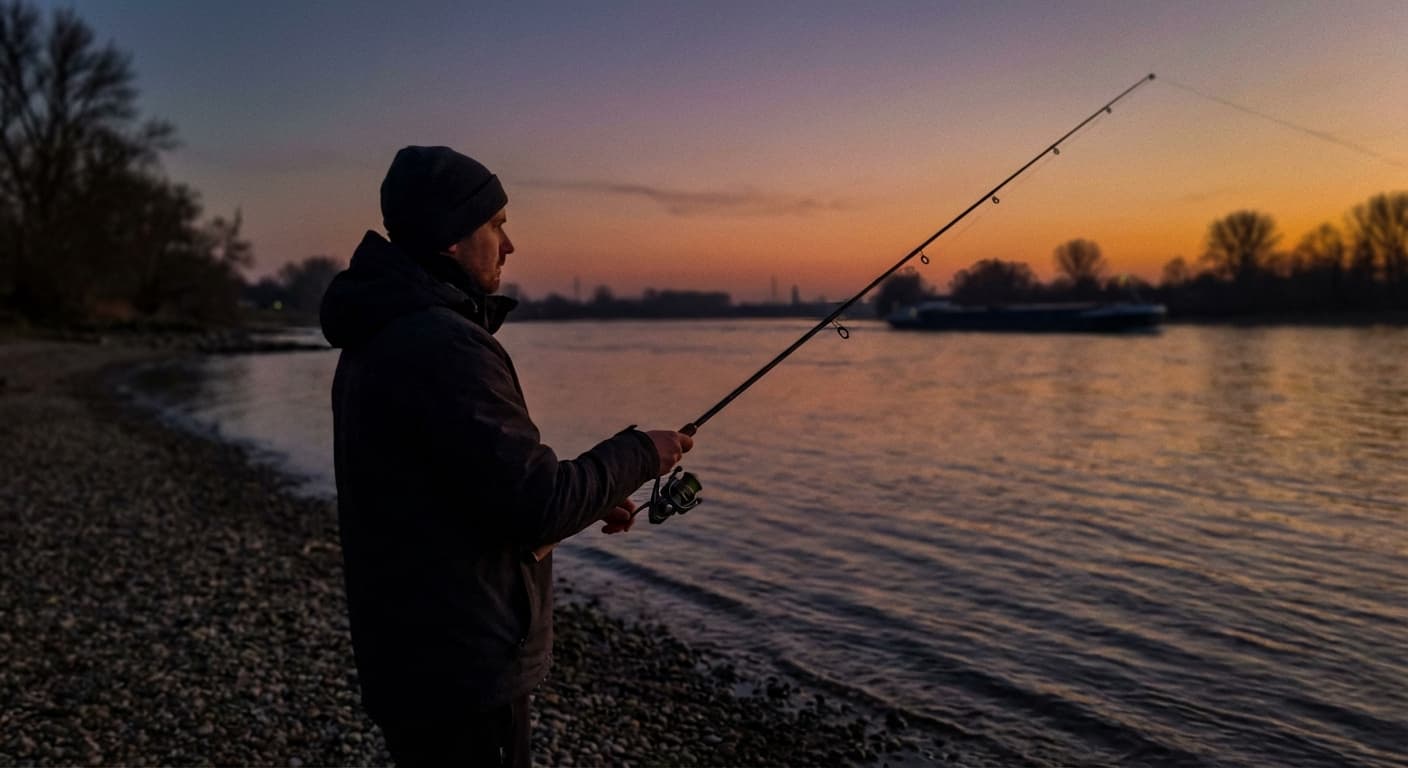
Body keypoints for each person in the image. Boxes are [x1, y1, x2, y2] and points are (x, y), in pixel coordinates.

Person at [320, 145, 693, 767]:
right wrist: (641, 453)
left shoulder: (383, 330)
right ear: (450, 238)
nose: (509, 245)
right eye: (496, 225)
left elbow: (461, 492)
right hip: (461, 667)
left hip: (411, 651)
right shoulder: (444, 343)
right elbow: (535, 504)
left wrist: (594, 494)